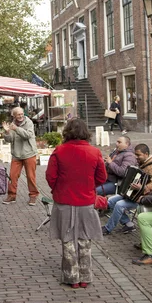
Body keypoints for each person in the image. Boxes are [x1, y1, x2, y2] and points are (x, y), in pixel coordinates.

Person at [46, 118, 107, 288]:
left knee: (67, 240)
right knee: (85, 239)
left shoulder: (59, 151)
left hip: (64, 200)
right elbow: (102, 177)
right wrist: (88, 185)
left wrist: (59, 188)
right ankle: (85, 277)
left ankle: (71, 277)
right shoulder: (95, 152)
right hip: (86, 200)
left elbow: (50, 176)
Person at [102, 144, 152, 235]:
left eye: (138, 155)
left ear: (146, 154)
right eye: (135, 155)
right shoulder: (141, 163)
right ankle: (128, 224)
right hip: (133, 194)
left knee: (119, 205)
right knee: (111, 201)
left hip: (144, 197)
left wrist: (142, 187)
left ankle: (108, 228)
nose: (136, 157)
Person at [2, 107, 39, 206]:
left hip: (29, 153)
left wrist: (16, 129)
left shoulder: (29, 122)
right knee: (12, 176)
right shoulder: (12, 124)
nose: (21, 116)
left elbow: (27, 135)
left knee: (31, 176)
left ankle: (33, 195)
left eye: (22, 113)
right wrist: (6, 132)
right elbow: (9, 140)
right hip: (17, 154)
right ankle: (11, 195)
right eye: (18, 114)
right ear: (14, 115)